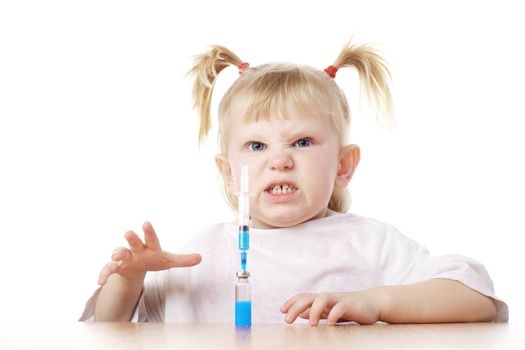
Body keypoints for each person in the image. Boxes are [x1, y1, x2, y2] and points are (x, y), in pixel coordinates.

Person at [80, 40, 508, 324]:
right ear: (229, 173)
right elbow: (110, 326)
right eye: (256, 146)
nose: (280, 160)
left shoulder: (368, 243)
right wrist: (129, 279)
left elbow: (477, 301)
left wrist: (373, 301)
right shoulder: (203, 253)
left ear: (344, 165)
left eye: (302, 142)